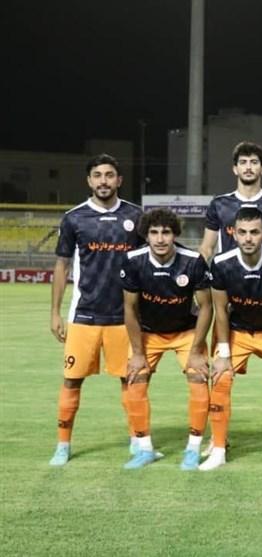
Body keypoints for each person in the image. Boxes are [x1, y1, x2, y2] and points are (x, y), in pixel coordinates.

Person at [49, 154, 143, 466]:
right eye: (98, 175)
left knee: (130, 380)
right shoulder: (74, 218)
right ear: (89, 181)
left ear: (119, 180)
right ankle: (63, 445)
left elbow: (147, 260)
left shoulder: (135, 216)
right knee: (72, 380)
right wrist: (55, 312)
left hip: (125, 318)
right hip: (84, 316)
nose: (104, 181)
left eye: (109, 175)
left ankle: (137, 440)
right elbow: (62, 266)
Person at [199, 207, 262, 472]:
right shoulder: (222, 263)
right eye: (242, 232)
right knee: (220, 378)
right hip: (238, 331)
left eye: (254, 232)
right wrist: (223, 354)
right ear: (233, 233)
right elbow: (220, 310)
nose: (248, 238)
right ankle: (218, 449)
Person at [120, 208, 213, 470]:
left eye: (166, 232)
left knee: (198, 379)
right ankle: (145, 449)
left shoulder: (193, 261)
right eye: (154, 232)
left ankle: (193, 449)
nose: (160, 239)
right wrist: (138, 353)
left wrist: (196, 350)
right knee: (135, 381)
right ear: (146, 235)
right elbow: (129, 309)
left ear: (175, 234)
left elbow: (206, 307)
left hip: (186, 332)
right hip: (148, 333)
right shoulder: (133, 261)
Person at [199, 141, 262, 260]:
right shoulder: (219, 204)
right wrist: (198, 267)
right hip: (228, 271)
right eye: (243, 162)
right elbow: (207, 248)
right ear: (235, 169)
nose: (248, 167)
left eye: (254, 162)